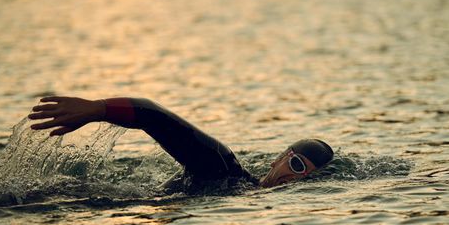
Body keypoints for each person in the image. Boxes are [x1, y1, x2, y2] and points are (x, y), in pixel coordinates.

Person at [28, 96, 334, 189]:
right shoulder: (222, 168)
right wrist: (98, 109)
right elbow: (156, 117)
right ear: (278, 159)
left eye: (306, 176)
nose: (295, 177)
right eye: (296, 165)